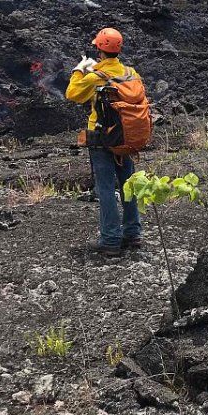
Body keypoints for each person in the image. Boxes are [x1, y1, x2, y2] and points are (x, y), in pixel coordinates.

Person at [66, 27, 142, 257]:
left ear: (99, 49)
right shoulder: (131, 73)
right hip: (126, 136)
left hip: (101, 139)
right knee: (128, 184)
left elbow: (72, 94)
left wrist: (79, 70)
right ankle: (132, 233)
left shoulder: (95, 77)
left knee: (106, 188)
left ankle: (110, 239)